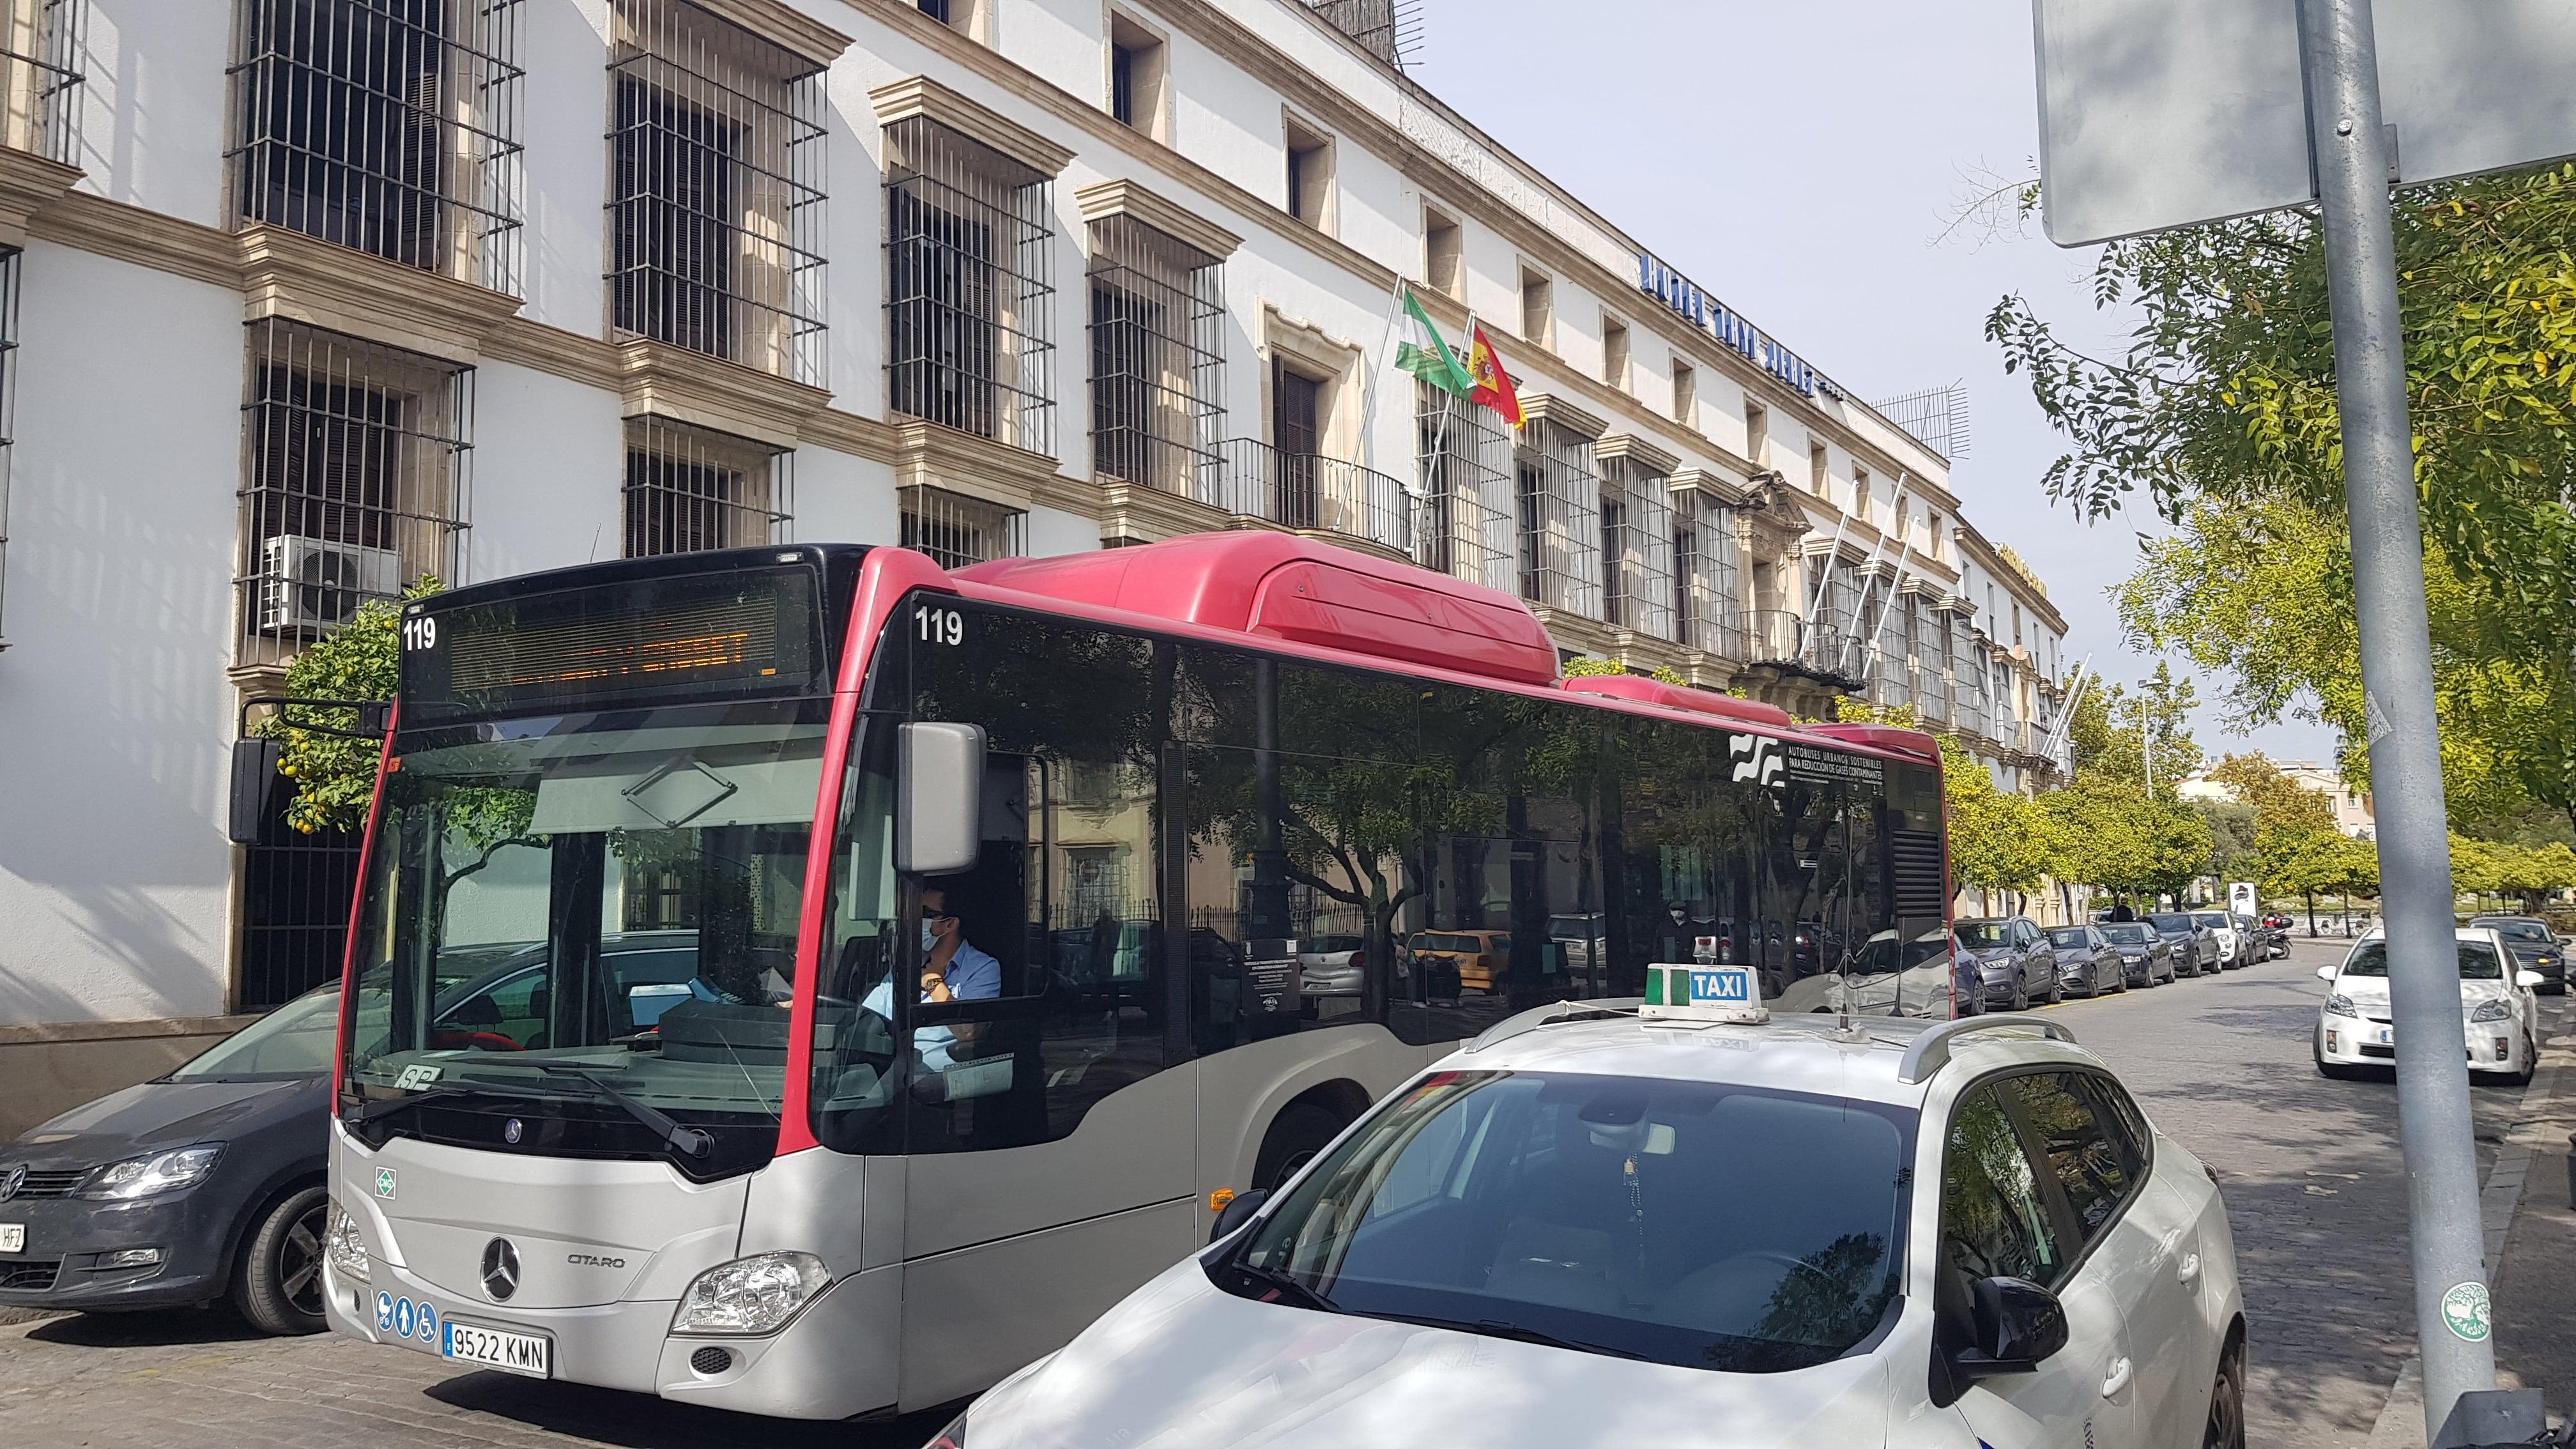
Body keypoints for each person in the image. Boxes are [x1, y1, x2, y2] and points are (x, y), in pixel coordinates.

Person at [862, 884, 1002, 1071]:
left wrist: (933, 982)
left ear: (950, 924)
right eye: (913, 912)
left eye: (925, 913)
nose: (916, 920)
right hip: (893, 1068)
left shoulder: (983, 968)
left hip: (938, 1077)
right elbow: (870, 1017)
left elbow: (969, 1031)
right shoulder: (908, 964)